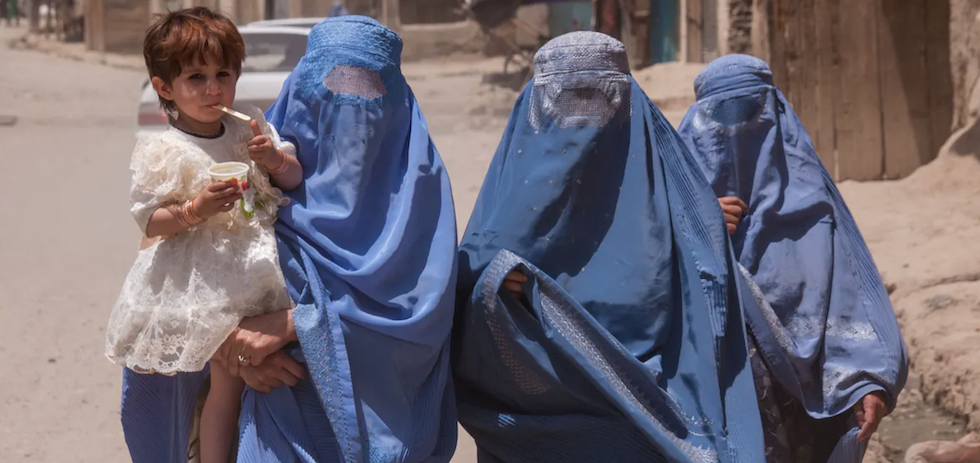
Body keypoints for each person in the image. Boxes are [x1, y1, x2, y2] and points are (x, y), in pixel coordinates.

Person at [118, 15, 460, 463]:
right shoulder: (255, 159)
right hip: (266, 420)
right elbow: (174, 271)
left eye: (368, 89)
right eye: (333, 85)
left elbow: (424, 314)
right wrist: (230, 348)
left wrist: (300, 326)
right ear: (302, 88)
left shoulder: (418, 193)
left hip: (386, 427)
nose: (348, 108)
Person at [453, 31, 766, 462]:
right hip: (535, 430)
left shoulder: (670, 193)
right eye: (567, 97)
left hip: (656, 424)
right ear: (539, 103)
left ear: (627, 99)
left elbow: (701, 307)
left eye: (598, 97)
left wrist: (705, 226)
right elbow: (466, 292)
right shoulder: (514, 193)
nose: (583, 115)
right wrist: (493, 283)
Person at [677, 53, 908, 463]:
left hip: (810, 423)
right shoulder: (675, 219)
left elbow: (855, 305)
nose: (735, 134)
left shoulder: (817, 217)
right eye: (719, 118)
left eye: (749, 114)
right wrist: (696, 224)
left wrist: (868, 383)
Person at [104, 7, 303, 463]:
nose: (213, 88)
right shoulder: (163, 148)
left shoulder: (248, 127)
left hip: (252, 273)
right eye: (196, 77)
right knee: (216, 382)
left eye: (223, 73)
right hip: (197, 283)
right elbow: (149, 220)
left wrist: (273, 160)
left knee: (233, 383)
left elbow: (292, 179)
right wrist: (195, 210)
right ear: (164, 88)